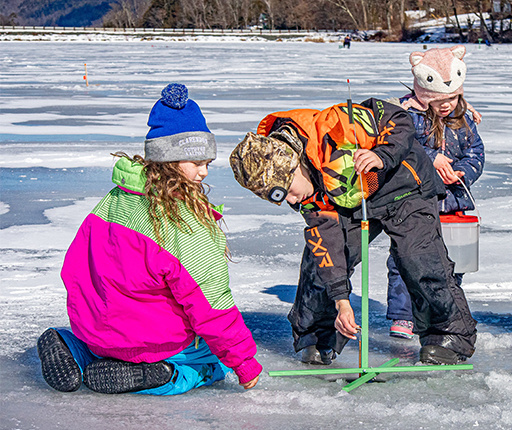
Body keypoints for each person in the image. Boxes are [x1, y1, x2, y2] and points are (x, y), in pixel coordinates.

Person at [37, 83, 262, 395]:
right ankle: (160, 375)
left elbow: (75, 267)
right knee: (213, 363)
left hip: (96, 331)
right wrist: (244, 363)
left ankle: (76, 348)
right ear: (169, 160)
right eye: (196, 163)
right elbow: (211, 303)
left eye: (208, 163)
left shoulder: (115, 199)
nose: (204, 172)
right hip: (151, 343)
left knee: (112, 336)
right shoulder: (183, 222)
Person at [229, 96, 478, 365]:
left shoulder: (336, 126)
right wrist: (341, 302)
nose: (291, 201)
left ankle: (448, 334)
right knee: (319, 261)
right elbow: (328, 248)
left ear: (295, 166)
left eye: (288, 191)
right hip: (351, 201)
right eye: (280, 198)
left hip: (407, 189)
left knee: (419, 260)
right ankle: (318, 335)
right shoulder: (309, 192)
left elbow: (398, 119)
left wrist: (382, 155)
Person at [386, 46, 485, 339]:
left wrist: (464, 171)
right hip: (414, 203)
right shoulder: (407, 116)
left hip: (452, 202)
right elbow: (400, 148)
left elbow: (476, 152)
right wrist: (431, 157)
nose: (446, 106)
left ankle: (444, 312)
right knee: (406, 258)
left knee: (449, 262)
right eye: (438, 100)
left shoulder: (463, 118)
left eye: (452, 98)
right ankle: (404, 315)